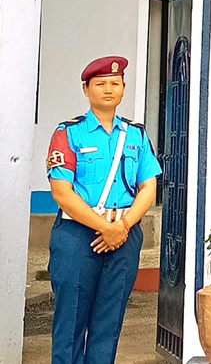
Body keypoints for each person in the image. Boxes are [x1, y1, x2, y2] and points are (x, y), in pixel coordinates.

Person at [45, 56, 162, 364]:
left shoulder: (135, 135)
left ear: (123, 88)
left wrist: (121, 227)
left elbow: (148, 188)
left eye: (114, 83)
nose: (108, 89)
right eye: (100, 84)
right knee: (70, 322)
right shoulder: (69, 133)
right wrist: (105, 227)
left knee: (108, 326)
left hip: (123, 236)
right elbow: (61, 192)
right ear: (86, 90)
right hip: (77, 235)